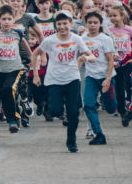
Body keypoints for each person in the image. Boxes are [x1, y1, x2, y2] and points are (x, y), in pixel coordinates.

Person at [32, 11, 95, 152]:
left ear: (71, 24)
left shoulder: (77, 39)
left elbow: (90, 55)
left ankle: (71, 141)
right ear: (56, 25)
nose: (62, 26)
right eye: (59, 24)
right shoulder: (50, 40)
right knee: (55, 110)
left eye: (65, 23)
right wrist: (36, 75)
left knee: (74, 114)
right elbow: (35, 53)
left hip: (72, 78)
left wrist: (87, 58)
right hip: (54, 79)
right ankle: (58, 109)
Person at [0, 5, 32, 133]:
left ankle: (12, 121)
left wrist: (33, 61)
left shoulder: (17, 33)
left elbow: (27, 49)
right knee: (4, 95)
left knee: (8, 88)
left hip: (15, 69)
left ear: (13, 20)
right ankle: (17, 112)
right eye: (4, 19)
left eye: (9, 19)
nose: (6, 22)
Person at [81, 11, 116, 145]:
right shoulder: (83, 39)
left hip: (105, 76)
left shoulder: (105, 39)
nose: (92, 25)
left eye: (95, 22)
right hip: (91, 76)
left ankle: (108, 102)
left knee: (111, 108)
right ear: (86, 23)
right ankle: (99, 134)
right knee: (88, 105)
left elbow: (110, 60)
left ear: (100, 24)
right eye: (90, 22)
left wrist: (107, 79)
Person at [107, 5, 132, 117]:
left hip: (127, 61)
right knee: (119, 85)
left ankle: (129, 101)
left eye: (115, 15)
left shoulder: (129, 30)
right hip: (116, 62)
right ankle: (121, 108)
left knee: (129, 83)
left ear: (122, 16)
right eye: (111, 16)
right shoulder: (109, 30)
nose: (113, 18)